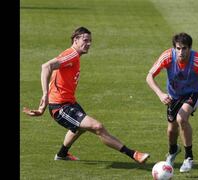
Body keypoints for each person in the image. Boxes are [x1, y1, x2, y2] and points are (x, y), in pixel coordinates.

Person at [22, 26, 150, 163]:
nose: (88, 44)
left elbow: (55, 77)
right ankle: (133, 154)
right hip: (60, 107)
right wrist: (45, 95)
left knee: (79, 128)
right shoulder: (71, 54)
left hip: (69, 102)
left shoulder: (74, 56)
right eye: (85, 40)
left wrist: (43, 105)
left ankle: (62, 154)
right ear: (76, 40)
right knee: (97, 127)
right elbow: (46, 66)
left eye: (90, 41)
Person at [146, 32, 198, 172]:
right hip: (174, 95)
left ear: (190, 48)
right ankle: (173, 151)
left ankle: (188, 157)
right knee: (172, 129)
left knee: (181, 118)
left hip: (194, 92)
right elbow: (149, 76)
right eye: (178, 48)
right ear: (174, 48)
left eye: (184, 48)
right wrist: (160, 94)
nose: (181, 52)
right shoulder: (167, 56)